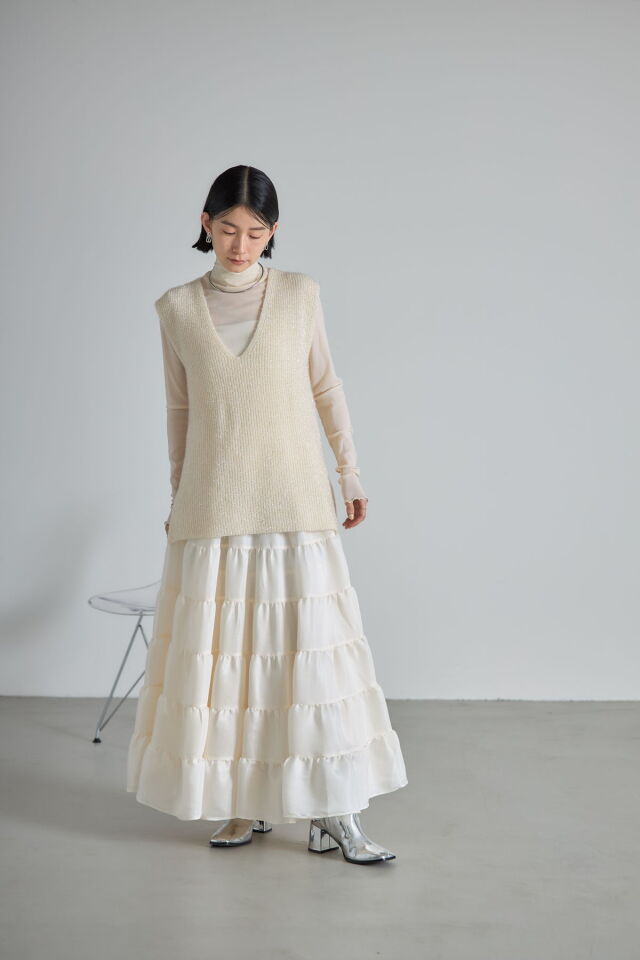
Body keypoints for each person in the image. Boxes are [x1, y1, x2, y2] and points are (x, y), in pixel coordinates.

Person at [126, 165, 408, 865]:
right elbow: (179, 409)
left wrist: (349, 470)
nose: (239, 244)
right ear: (205, 223)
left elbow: (325, 386)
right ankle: (241, 800)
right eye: (227, 228)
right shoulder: (177, 308)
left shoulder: (300, 296)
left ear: (273, 232)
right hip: (214, 500)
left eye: (255, 232)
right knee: (228, 662)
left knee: (308, 655)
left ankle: (333, 809)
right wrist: (178, 494)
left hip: (294, 497)